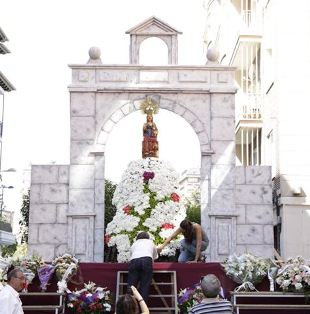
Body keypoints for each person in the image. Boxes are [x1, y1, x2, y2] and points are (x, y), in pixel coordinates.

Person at [127, 232, 158, 302]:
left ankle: (128, 307)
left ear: (137, 238)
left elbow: (131, 256)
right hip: (147, 260)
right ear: (148, 237)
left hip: (134, 260)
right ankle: (143, 309)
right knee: (145, 286)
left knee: (131, 286)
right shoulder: (150, 242)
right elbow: (155, 256)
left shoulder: (134, 244)